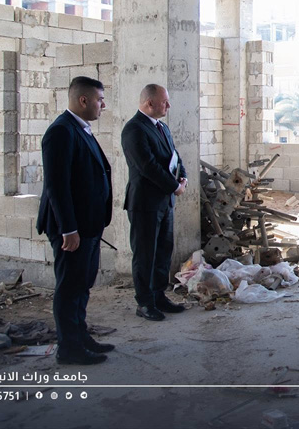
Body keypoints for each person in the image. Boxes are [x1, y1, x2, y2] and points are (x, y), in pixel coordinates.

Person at [36, 76, 114, 365]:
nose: (103, 105)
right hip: (71, 228)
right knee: (69, 287)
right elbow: (57, 186)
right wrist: (68, 229)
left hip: (88, 225)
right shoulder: (61, 132)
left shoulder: (80, 128)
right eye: (99, 99)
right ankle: (68, 348)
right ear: (83, 100)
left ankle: (80, 337)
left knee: (82, 284)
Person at [121, 84, 188, 321]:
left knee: (163, 252)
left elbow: (174, 156)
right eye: (164, 102)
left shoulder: (162, 127)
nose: (169, 105)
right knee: (145, 255)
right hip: (145, 204)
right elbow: (148, 166)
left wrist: (183, 177)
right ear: (149, 103)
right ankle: (145, 303)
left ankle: (159, 296)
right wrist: (174, 187)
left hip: (165, 203)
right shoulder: (134, 129)